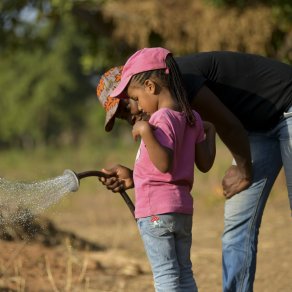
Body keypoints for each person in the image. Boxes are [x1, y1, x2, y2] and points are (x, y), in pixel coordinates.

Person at [96, 50, 292, 292]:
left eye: (127, 106)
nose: (131, 116)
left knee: (168, 275)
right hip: (257, 127)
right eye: (124, 117)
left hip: (287, 104)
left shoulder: (181, 84)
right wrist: (136, 175)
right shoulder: (172, 110)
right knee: (237, 223)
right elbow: (177, 161)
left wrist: (244, 171)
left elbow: (229, 127)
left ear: (146, 86)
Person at [103, 47, 216, 292]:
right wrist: (210, 131)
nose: (137, 106)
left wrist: (145, 131)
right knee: (184, 272)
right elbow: (205, 164)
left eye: (135, 98)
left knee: (165, 274)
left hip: (155, 215)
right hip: (181, 211)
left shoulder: (159, 119)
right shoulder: (191, 117)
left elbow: (164, 164)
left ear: (151, 87)